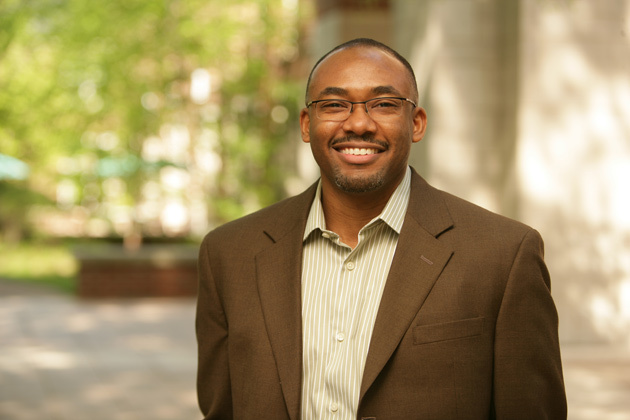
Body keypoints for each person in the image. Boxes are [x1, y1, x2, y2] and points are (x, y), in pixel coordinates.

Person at [196, 38, 567, 420]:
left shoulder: (503, 254)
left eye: (385, 104)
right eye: (334, 104)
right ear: (307, 125)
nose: (358, 123)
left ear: (417, 123)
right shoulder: (229, 254)